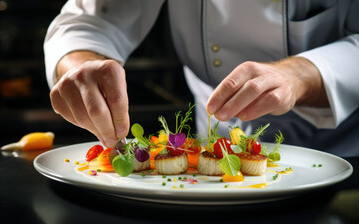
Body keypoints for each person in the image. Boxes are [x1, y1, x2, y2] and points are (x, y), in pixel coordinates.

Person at [44, 0, 359, 157]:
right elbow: (92, 18)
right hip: (210, 152)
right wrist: (79, 63)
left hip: (345, 156)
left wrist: (302, 74)